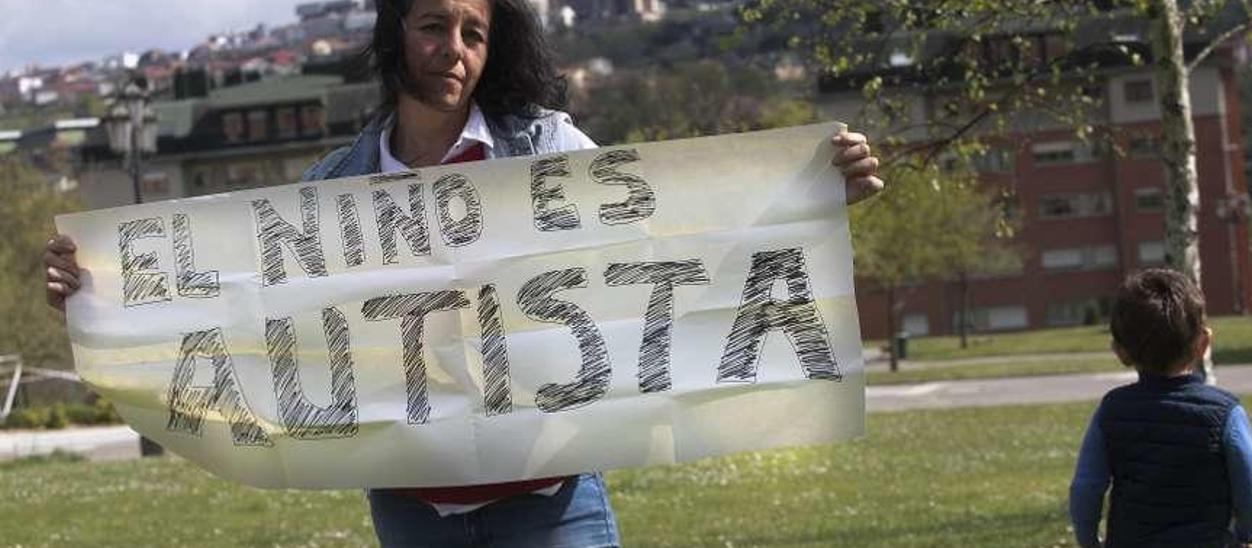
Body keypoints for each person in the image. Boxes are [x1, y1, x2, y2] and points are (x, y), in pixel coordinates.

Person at [43, 0, 886, 545]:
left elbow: (672, 246)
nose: (454, 50)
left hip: (552, 504)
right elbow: (248, 322)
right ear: (393, 36)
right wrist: (102, 294)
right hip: (412, 516)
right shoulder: (332, 194)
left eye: (474, 33)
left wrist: (805, 198)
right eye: (433, 26)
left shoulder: (547, 151)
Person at [1069, 269, 1252, 548]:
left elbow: (1086, 487)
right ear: (1203, 344)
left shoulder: (1111, 411)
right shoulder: (1225, 413)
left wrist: (1089, 540)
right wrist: (1249, 534)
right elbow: (1250, 486)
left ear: (1119, 350)